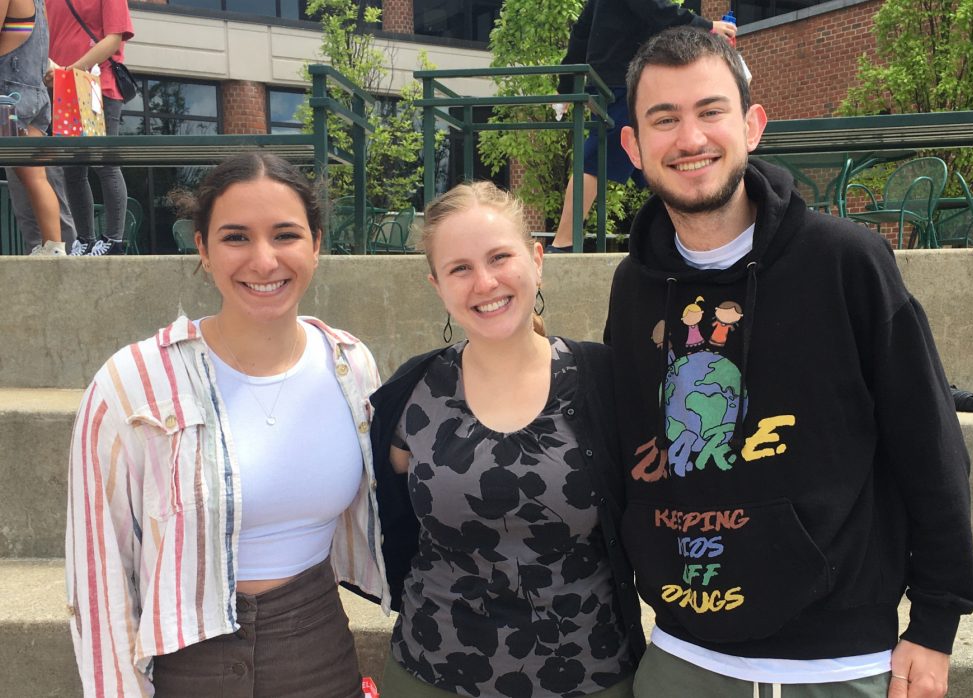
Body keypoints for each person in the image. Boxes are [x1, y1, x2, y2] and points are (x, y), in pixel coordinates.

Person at [605, 27, 973, 697]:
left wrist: (936, 621)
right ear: (634, 146)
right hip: (681, 655)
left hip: (836, 667)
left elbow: (931, 447)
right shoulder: (634, 287)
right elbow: (626, 460)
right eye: (664, 119)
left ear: (752, 125)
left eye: (711, 111)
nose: (690, 139)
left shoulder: (846, 263)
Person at [66, 153, 388, 696]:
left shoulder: (350, 365)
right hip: (188, 664)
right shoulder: (132, 382)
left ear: (316, 245)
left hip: (320, 650)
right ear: (203, 250)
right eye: (236, 237)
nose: (263, 261)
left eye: (285, 235)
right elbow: (100, 577)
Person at [368, 181, 644, 697]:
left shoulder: (603, 382)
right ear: (437, 285)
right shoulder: (412, 393)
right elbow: (390, 515)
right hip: (433, 672)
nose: (485, 282)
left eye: (500, 257)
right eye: (460, 268)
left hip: (590, 674)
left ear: (537, 260)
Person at [545, 0, 735, 253]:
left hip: (609, 79)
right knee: (598, 156)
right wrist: (707, 26)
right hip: (625, 79)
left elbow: (581, 32)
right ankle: (564, 241)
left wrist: (566, 87)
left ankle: (681, 237)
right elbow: (657, 11)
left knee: (649, 161)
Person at [44, 0, 133, 255]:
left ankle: (113, 240)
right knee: (73, 169)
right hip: (63, 88)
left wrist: (71, 70)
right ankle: (84, 239)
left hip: (98, 85)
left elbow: (114, 39)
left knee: (105, 164)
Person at [0, 0, 66, 255]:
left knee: (34, 177)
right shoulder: (39, 3)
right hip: (35, 97)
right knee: (37, 178)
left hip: (7, 100)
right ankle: (54, 248)